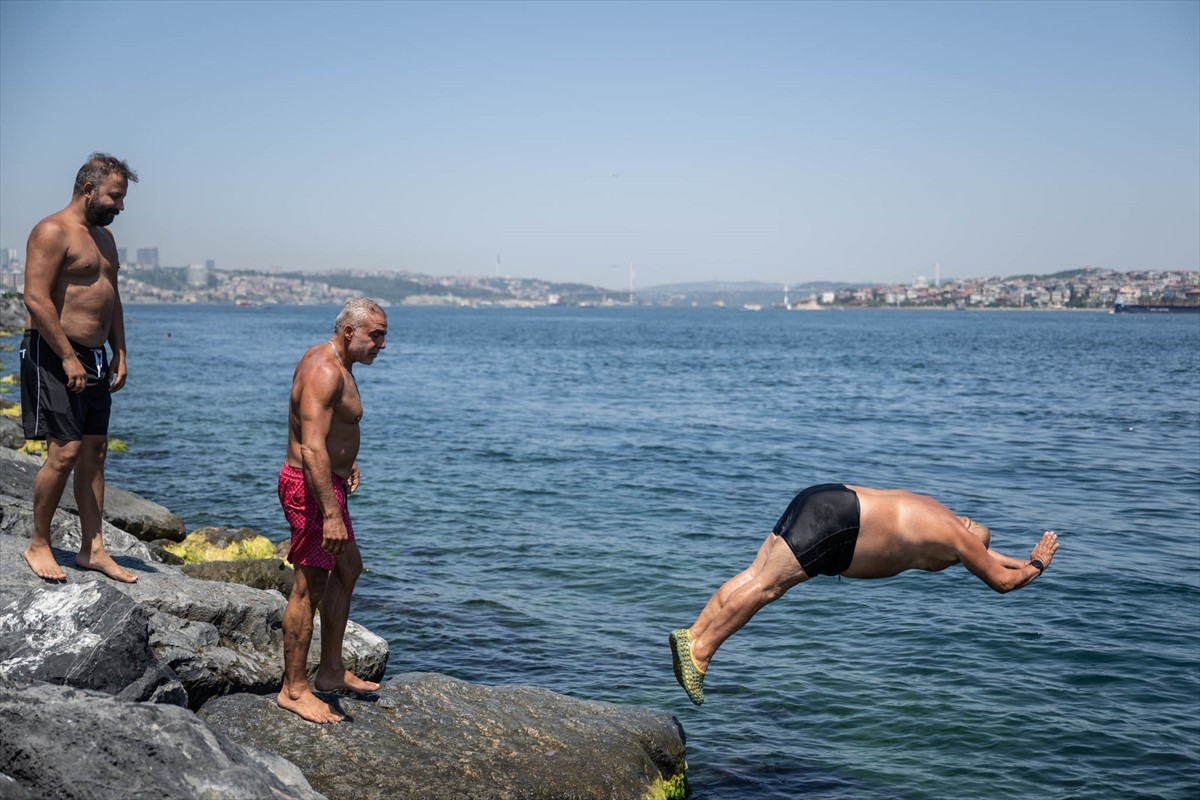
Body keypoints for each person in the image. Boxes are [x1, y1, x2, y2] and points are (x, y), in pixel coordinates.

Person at [669, 483, 1060, 705]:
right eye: (960, 560)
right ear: (963, 545)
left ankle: (693, 635)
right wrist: (1038, 564)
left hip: (823, 498)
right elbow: (1002, 581)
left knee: (754, 575)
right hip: (839, 526)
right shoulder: (959, 541)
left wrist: (1018, 558)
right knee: (766, 588)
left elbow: (987, 556)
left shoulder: (946, 521)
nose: (954, 564)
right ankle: (700, 655)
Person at [20, 152, 138, 583]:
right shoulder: (52, 230)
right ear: (88, 189)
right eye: (115, 197)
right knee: (65, 450)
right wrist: (67, 356)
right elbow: (34, 297)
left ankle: (94, 549)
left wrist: (120, 352)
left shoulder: (103, 239)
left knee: (95, 451)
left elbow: (111, 296)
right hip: (53, 351)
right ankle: (38, 543)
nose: (120, 207)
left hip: (94, 356)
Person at [276, 298, 388, 724]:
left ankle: (330, 670)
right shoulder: (325, 371)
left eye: (383, 335)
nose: (382, 344)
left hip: (327, 482)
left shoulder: (330, 362)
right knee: (309, 587)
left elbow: (323, 433)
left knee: (348, 569)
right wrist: (332, 513)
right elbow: (311, 446)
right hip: (311, 491)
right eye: (375, 335)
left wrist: (346, 463)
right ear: (349, 333)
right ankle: (293, 688)